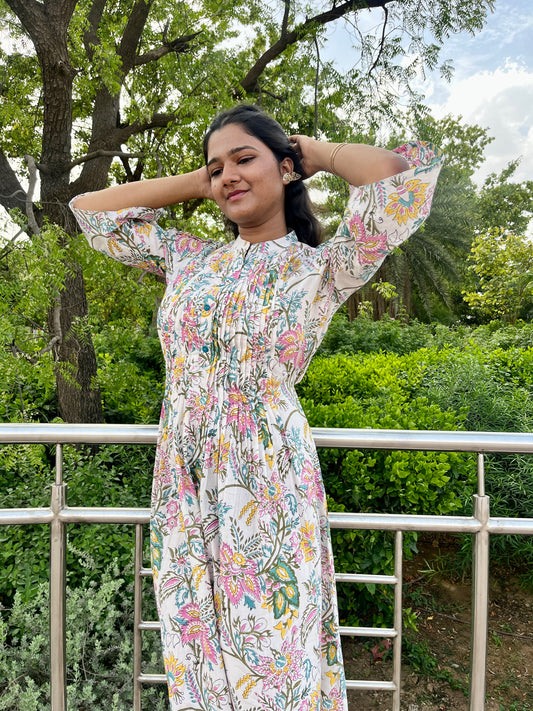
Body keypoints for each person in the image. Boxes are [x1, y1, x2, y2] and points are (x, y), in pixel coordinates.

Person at [71, 104, 443, 711]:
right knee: (197, 657)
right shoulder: (190, 259)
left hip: (267, 482)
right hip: (184, 481)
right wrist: (202, 179)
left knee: (273, 656)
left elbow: (397, 180)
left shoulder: (323, 266)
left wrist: (309, 152)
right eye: (218, 168)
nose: (228, 177)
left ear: (287, 168)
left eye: (245, 160)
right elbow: (91, 212)